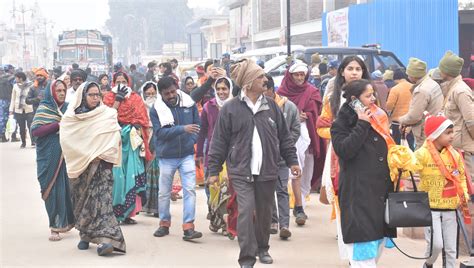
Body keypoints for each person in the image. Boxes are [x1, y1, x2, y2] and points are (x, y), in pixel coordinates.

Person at [207, 59, 300, 267]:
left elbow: (284, 137)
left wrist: (292, 160)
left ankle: (263, 248)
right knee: (246, 211)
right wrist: (213, 170)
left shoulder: (272, 107)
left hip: (267, 170)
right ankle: (247, 258)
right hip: (240, 171)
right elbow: (218, 141)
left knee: (265, 213)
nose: (265, 79)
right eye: (260, 76)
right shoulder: (230, 108)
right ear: (248, 82)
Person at [330, 79, 396, 267]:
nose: (374, 99)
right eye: (368, 96)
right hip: (358, 196)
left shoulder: (379, 120)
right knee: (362, 254)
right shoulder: (341, 124)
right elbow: (344, 150)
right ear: (354, 100)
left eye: (373, 94)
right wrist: (362, 124)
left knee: (377, 249)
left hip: (380, 194)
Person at [59, 81, 126, 256]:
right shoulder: (70, 118)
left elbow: (113, 137)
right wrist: (87, 154)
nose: (96, 98)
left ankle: (106, 240)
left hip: (102, 165)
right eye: (91, 95)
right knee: (83, 202)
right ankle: (85, 235)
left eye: (98, 95)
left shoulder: (107, 114)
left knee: (102, 201)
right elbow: (67, 141)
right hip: (81, 167)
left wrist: (100, 153)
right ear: (82, 96)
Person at [316, 55, 371, 261]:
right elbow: (321, 127)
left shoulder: (370, 96)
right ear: (342, 72)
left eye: (358, 69)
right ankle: (349, 254)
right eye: (350, 68)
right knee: (342, 199)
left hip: (367, 156)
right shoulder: (333, 97)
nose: (355, 72)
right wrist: (343, 136)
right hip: (340, 156)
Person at [150, 76, 202, 240]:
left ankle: (188, 227)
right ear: (161, 95)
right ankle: (164, 224)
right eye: (167, 94)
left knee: (190, 190)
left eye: (173, 91)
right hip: (166, 156)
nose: (171, 95)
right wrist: (182, 129)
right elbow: (159, 133)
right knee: (164, 193)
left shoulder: (189, 104)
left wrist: (191, 140)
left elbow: (197, 126)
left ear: (177, 88)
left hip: (186, 154)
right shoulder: (156, 109)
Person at [414, 114, 470, 268]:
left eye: (452, 132)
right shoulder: (422, 153)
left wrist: (463, 196)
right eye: (448, 133)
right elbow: (409, 169)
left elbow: (461, 178)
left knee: (451, 250)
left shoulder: (455, 155)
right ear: (435, 134)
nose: (452, 136)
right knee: (436, 246)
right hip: (430, 209)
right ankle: (428, 264)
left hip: (451, 208)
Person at [278, 62, 324, 226]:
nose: (299, 78)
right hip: (291, 136)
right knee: (295, 168)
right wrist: (294, 117)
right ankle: (298, 207)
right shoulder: (281, 93)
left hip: (309, 134)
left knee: (308, 170)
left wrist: (308, 115)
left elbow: (318, 112)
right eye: (296, 74)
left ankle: (302, 201)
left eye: (301, 75)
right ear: (290, 75)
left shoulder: (312, 91)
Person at [103, 71, 152, 224]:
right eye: (118, 81)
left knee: (131, 174)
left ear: (128, 82)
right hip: (114, 140)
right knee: (117, 177)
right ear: (113, 83)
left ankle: (129, 213)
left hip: (131, 141)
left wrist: (134, 125)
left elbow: (142, 118)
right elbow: (106, 118)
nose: (121, 84)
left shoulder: (136, 98)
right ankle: (114, 213)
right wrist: (117, 101)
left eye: (124, 81)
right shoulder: (108, 98)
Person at [31, 79, 75, 241]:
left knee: (67, 190)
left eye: (64, 90)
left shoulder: (69, 108)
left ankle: (66, 222)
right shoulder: (45, 108)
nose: (62, 93)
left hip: (67, 156)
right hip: (48, 156)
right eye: (59, 91)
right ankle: (54, 226)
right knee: (51, 190)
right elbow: (36, 131)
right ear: (52, 92)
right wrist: (58, 125)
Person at [263, 75, 300, 240]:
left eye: (265, 90)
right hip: (264, 158)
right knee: (268, 191)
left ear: (271, 89)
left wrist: (284, 148)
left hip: (283, 158)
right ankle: (273, 221)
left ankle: (284, 225)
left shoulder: (289, 107)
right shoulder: (259, 107)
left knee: (282, 190)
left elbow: (295, 130)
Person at [196, 76, 234, 237]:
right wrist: (198, 154)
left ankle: (228, 223)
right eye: (218, 89)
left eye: (224, 89)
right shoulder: (208, 106)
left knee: (228, 188)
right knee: (212, 187)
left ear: (230, 89)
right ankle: (216, 218)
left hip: (232, 153)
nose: (221, 92)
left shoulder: (236, 105)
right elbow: (203, 130)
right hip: (212, 152)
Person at [438, 51, 474, 184]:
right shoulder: (452, 88)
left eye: (442, 68)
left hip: (463, 148)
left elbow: (471, 120)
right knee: (458, 182)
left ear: (447, 71)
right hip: (455, 146)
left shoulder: (460, 91)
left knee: (468, 183)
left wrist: (471, 142)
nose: (439, 71)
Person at [399, 58, 443, 149]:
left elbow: (414, 116)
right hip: (437, 128)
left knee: (424, 160)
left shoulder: (421, 90)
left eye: (409, 74)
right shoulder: (432, 83)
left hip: (425, 133)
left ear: (413, 75)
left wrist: (401, 120)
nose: (407, 76)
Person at [140, 81, 160, 217]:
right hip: (143, 138)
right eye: (148, 94)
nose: (151, 96)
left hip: (158, 139)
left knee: (158, 173)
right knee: (145, 173)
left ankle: (158, 206)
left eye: (153, 93)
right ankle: (145, 204)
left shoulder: (161, 106)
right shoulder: (139, 107)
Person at [385, 68, 415, 150]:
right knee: (410, 144)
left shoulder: (395, 89)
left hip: (397, 122)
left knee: (398, 145)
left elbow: (389, 106)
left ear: (395, 78)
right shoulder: (413, 87)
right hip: (411, 121)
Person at [9, 71, 34, 148]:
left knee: (31, 126)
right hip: (18, 110)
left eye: (16, 77)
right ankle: (23, 142)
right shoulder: (15, 86)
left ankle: (33, 141)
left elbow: (32, 96)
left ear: (21, 78)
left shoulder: (31, 85)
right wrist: (11, 109)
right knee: (21, 127)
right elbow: (13, 98)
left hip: (29, 109)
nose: (15, 79)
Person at [0, 65, 15, 142]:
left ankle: (2, 136)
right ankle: (14, 136)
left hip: (1, 101)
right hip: (11, 100)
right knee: (14, 117)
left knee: (2, 118)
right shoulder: (12, 78)